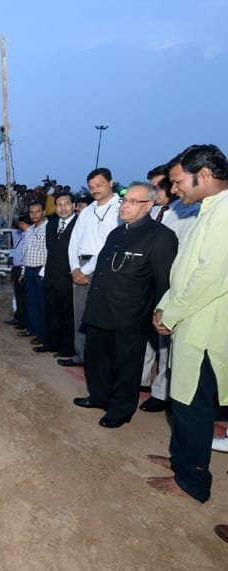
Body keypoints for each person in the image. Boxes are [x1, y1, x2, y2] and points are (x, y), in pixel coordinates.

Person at [146, 144, 228, 503]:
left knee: (194, 407)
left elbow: (210, 277)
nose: (174, 189)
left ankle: (193, 482)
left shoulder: (225, 213)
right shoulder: (206, 211)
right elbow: (185, 272)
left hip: (207, 329)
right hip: (189, 322)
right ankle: (182, 461)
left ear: (205, 175)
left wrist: (172, 313)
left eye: (178, 182)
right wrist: (166, 307)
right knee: (181, 401)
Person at [72, 183, 177, 428]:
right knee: (97, 359)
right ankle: (99, 396)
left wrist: (161, 312)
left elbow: (164, 282)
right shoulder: (117, 233)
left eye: (133, 201)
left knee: (126, 366)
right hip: (100, 309)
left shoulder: (161, 237)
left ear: (149, 205)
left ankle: (120, 409)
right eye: (124, 200)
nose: (125, 206)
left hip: (130, 315)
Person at [140, 164, 201, 412]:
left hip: (170, 286)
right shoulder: (153, 212)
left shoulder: (189, 212)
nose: (156, 191)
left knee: (165, 341)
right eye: (152, 187)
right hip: (146, 284)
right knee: (145, 338)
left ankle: (161, 392)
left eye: (160, 186)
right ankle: (142, 381)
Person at [60, 168, 121, 367]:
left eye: (99, 185)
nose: (95, 190)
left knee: (101, 318)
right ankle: (81, 355)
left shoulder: (120, 209)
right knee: (80, 317)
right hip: (79, 267)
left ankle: (101, 360)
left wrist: (85, 271)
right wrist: (75, 268)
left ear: (111, 183)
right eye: (91, 186)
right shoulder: (86, 211)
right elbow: (73, 242)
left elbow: (111, 244)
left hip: (104, 268)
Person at [34, 192, 77, 356]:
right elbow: (50, 251)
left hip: (68, 277)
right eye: (59, 204)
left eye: (66, 204)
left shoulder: (79, 224)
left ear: (73, 206)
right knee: (51, 312)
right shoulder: (51, 224)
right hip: (51, 276)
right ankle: (50, 343)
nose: (63, 208)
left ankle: (66, 349)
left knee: (68, 315)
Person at [18, 202, 48, 346]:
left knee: (42, 303)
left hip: (41, 270)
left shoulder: (48, 228)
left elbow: (50, 252)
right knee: (31, 302)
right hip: (29, 270)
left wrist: (44, 272)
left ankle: (42, 334)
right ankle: (32, 329)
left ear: (44, 211)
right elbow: (25, 252)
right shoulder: (29, 230)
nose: (35, 214)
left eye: (37, 211)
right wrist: (23, 271)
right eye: (32, 212)